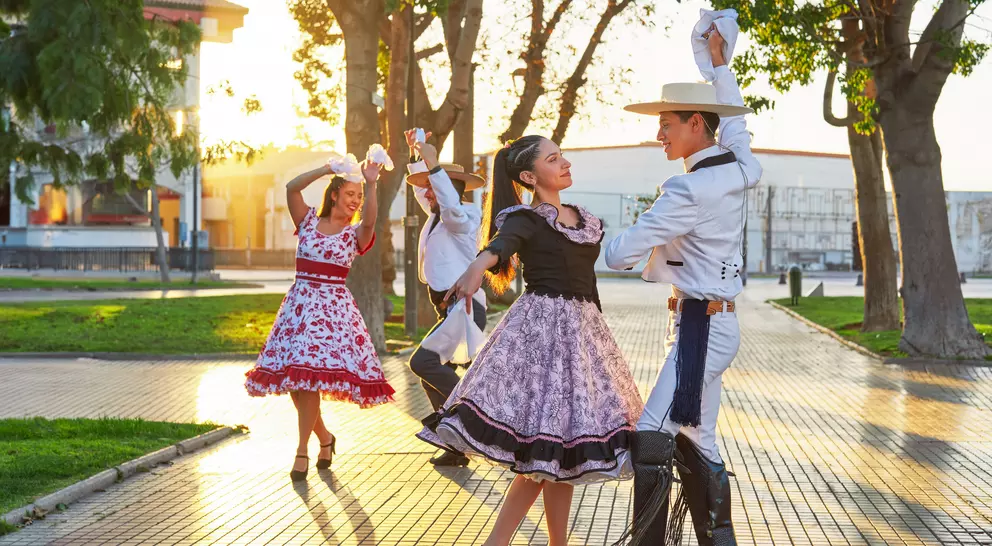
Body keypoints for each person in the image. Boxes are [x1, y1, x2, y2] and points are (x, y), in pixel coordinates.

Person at [417, 135, 643, 546]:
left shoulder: (584, 218)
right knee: (542, 460)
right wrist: (475, 269)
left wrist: (597, 344)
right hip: (541, 339)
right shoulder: (527, 217)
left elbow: (589, 286)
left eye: (562, 155)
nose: (564, 163)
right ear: (528, 175)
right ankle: (496, 543)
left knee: (561, 458)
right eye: (553, 159)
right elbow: (500, 247)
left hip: (583, 337)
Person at [604, 22, 762, 546]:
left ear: (696, 122)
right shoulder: (739, 166)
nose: (659, 134)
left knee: (652, 434)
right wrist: (717, 59)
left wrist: (587, 238)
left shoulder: (687, 188)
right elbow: (732, 120)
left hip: (702, 330)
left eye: (667, 123)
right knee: (699, 441)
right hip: (706, 324)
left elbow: (624, 250)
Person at [244, 151, 396, 482]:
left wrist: (370, 184)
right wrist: (327, 168)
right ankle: (325, 439)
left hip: (332, 315)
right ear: (335, 194)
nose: (355, 201)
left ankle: (302, 451)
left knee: (307, 380)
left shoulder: (355, 234)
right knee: (297, 386)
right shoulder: (309, 220)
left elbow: (370, 222)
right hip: (298, 310)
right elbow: (291, 188)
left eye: (358, 196)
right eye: (350, 194)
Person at [404, 129, 488, 467]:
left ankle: (471, 418)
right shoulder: (437, 218)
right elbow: (426, 196)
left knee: (421, 363)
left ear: (447, 191)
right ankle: (454, 444)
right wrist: (417, 154)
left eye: (432, 186)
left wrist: (433, 162)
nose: (426, 193)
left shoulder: (462, 218)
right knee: (430, 370)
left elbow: (449, 206)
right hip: (450, 311)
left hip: (465, 309)